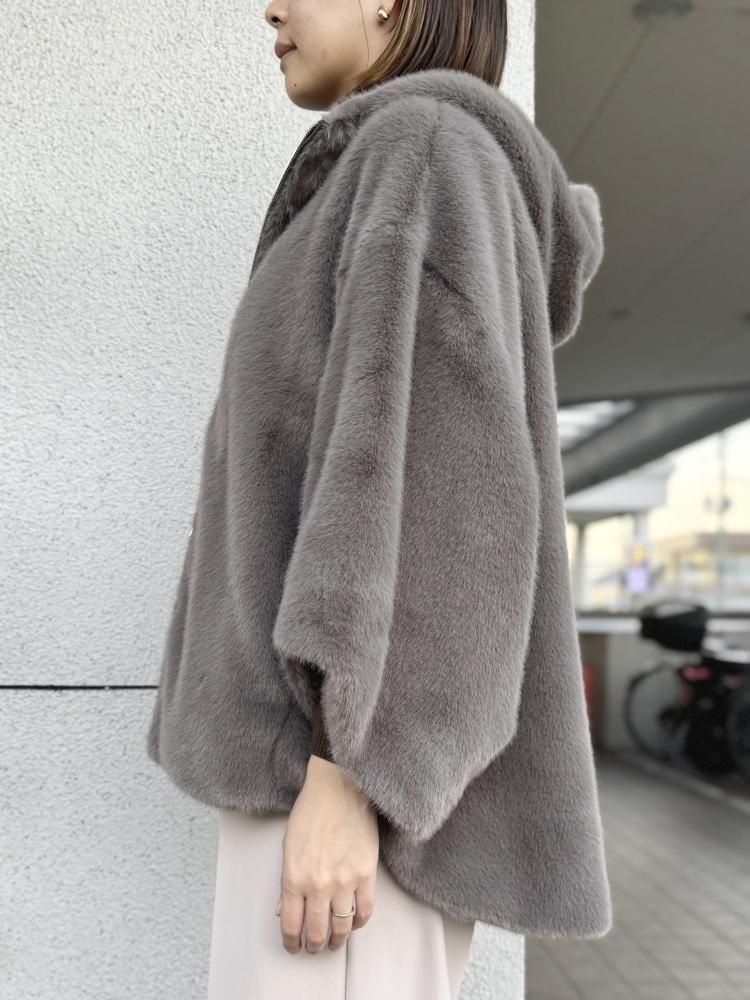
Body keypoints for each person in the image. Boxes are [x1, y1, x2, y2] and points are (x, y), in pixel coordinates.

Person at [145, 0, 614, 996]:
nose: (271, 6)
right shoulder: (396, 159)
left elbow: (445, 499)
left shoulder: (425, 151)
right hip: (322, 785)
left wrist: (351, 777)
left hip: (347, 802)